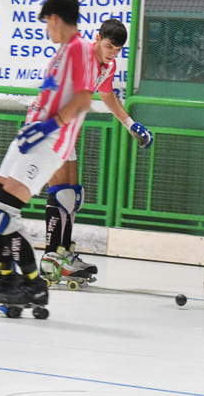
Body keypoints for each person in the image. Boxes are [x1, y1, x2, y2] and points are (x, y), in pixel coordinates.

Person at [0, 0, 98, 310]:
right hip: (32, 135)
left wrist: (49, 126)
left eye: (46, 23)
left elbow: (83, 99)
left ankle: (33, 285)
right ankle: (6, 277)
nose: (46, 29)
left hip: (50, 142)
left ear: (54, 18)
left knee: (4, 212)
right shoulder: (61, 53)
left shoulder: (80, 49)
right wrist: (33, 125)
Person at [39, 18, 153, 286]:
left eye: (118, 50)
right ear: (98, 38)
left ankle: (63, 253)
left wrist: (129, 123)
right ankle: (51, 257)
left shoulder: (107, 65)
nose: (113, 53)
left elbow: (106, 94)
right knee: (61, 191)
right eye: (109, 46)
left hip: (68, 126)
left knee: (73, 194)